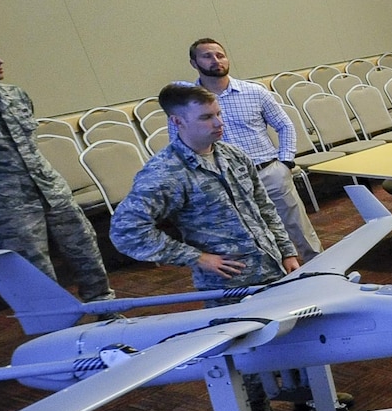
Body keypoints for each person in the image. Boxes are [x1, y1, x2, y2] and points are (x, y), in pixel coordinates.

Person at [0, 32, 113, 301]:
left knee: (85, 249)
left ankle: (105, 309)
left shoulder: (15, 95)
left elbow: (29, 143)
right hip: (6, 203)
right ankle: (54, 327)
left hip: (50, 190)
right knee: (32, 268)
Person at [110, 83, 299, 292]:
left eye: (218, 114)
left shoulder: (233, 155)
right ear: (177, 121)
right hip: (229, 285)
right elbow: (126, 230)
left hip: (274, 269)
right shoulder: (165, 172)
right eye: (206, 117)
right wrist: (196, 258)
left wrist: (286, 251)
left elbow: (263, 206)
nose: (219, 123)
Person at [183, 37, 319, 260]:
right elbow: (181, 142)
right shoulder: (189, 103)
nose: (215, 60)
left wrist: (285, 163)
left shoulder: (255, 92)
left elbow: (285, 125)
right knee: (251, 235)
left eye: (220, 55)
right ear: (194, 63)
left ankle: (322, 272)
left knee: (299, 229)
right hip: (226, 180)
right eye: (207, 56)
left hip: (268, 172)